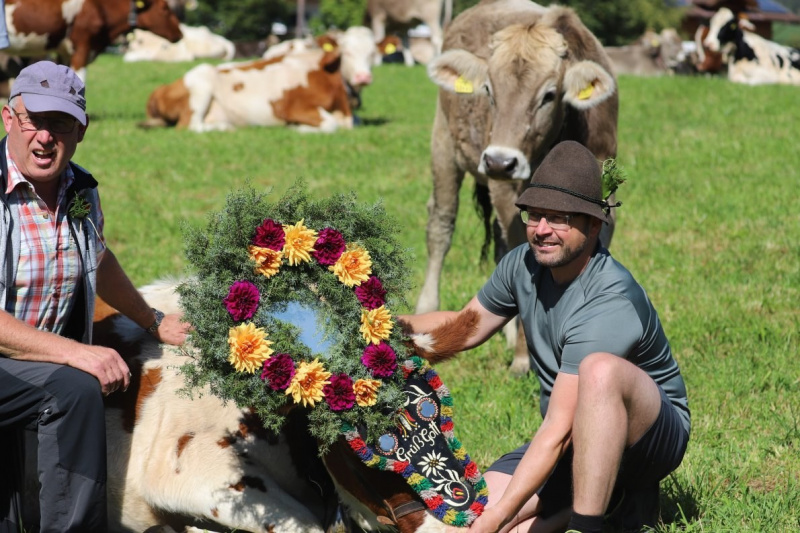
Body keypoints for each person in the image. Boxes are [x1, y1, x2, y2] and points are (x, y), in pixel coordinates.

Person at [401, 140, 690, 533]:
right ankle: (608, 503)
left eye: (558, 218)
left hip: (647, 437)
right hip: (570, 441)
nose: (541, 230)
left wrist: (498, 516)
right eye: (534, 215)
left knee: (600, 371)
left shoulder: (608, 299)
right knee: (465, 520)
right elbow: (464, 325)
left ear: (592, 225)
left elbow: (557, 429)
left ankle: (588, 524)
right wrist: (375, 325)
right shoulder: (522, 264)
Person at [0, 60, 189, 532]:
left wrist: (154, 321)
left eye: (61, 124)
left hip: (27, 362)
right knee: (73, 388)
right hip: (15, 356)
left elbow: (97, 260)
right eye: (34, 121)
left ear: (80, 131)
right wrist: (76, 352)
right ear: (9, 119)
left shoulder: (79, 189)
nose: (45, 137)